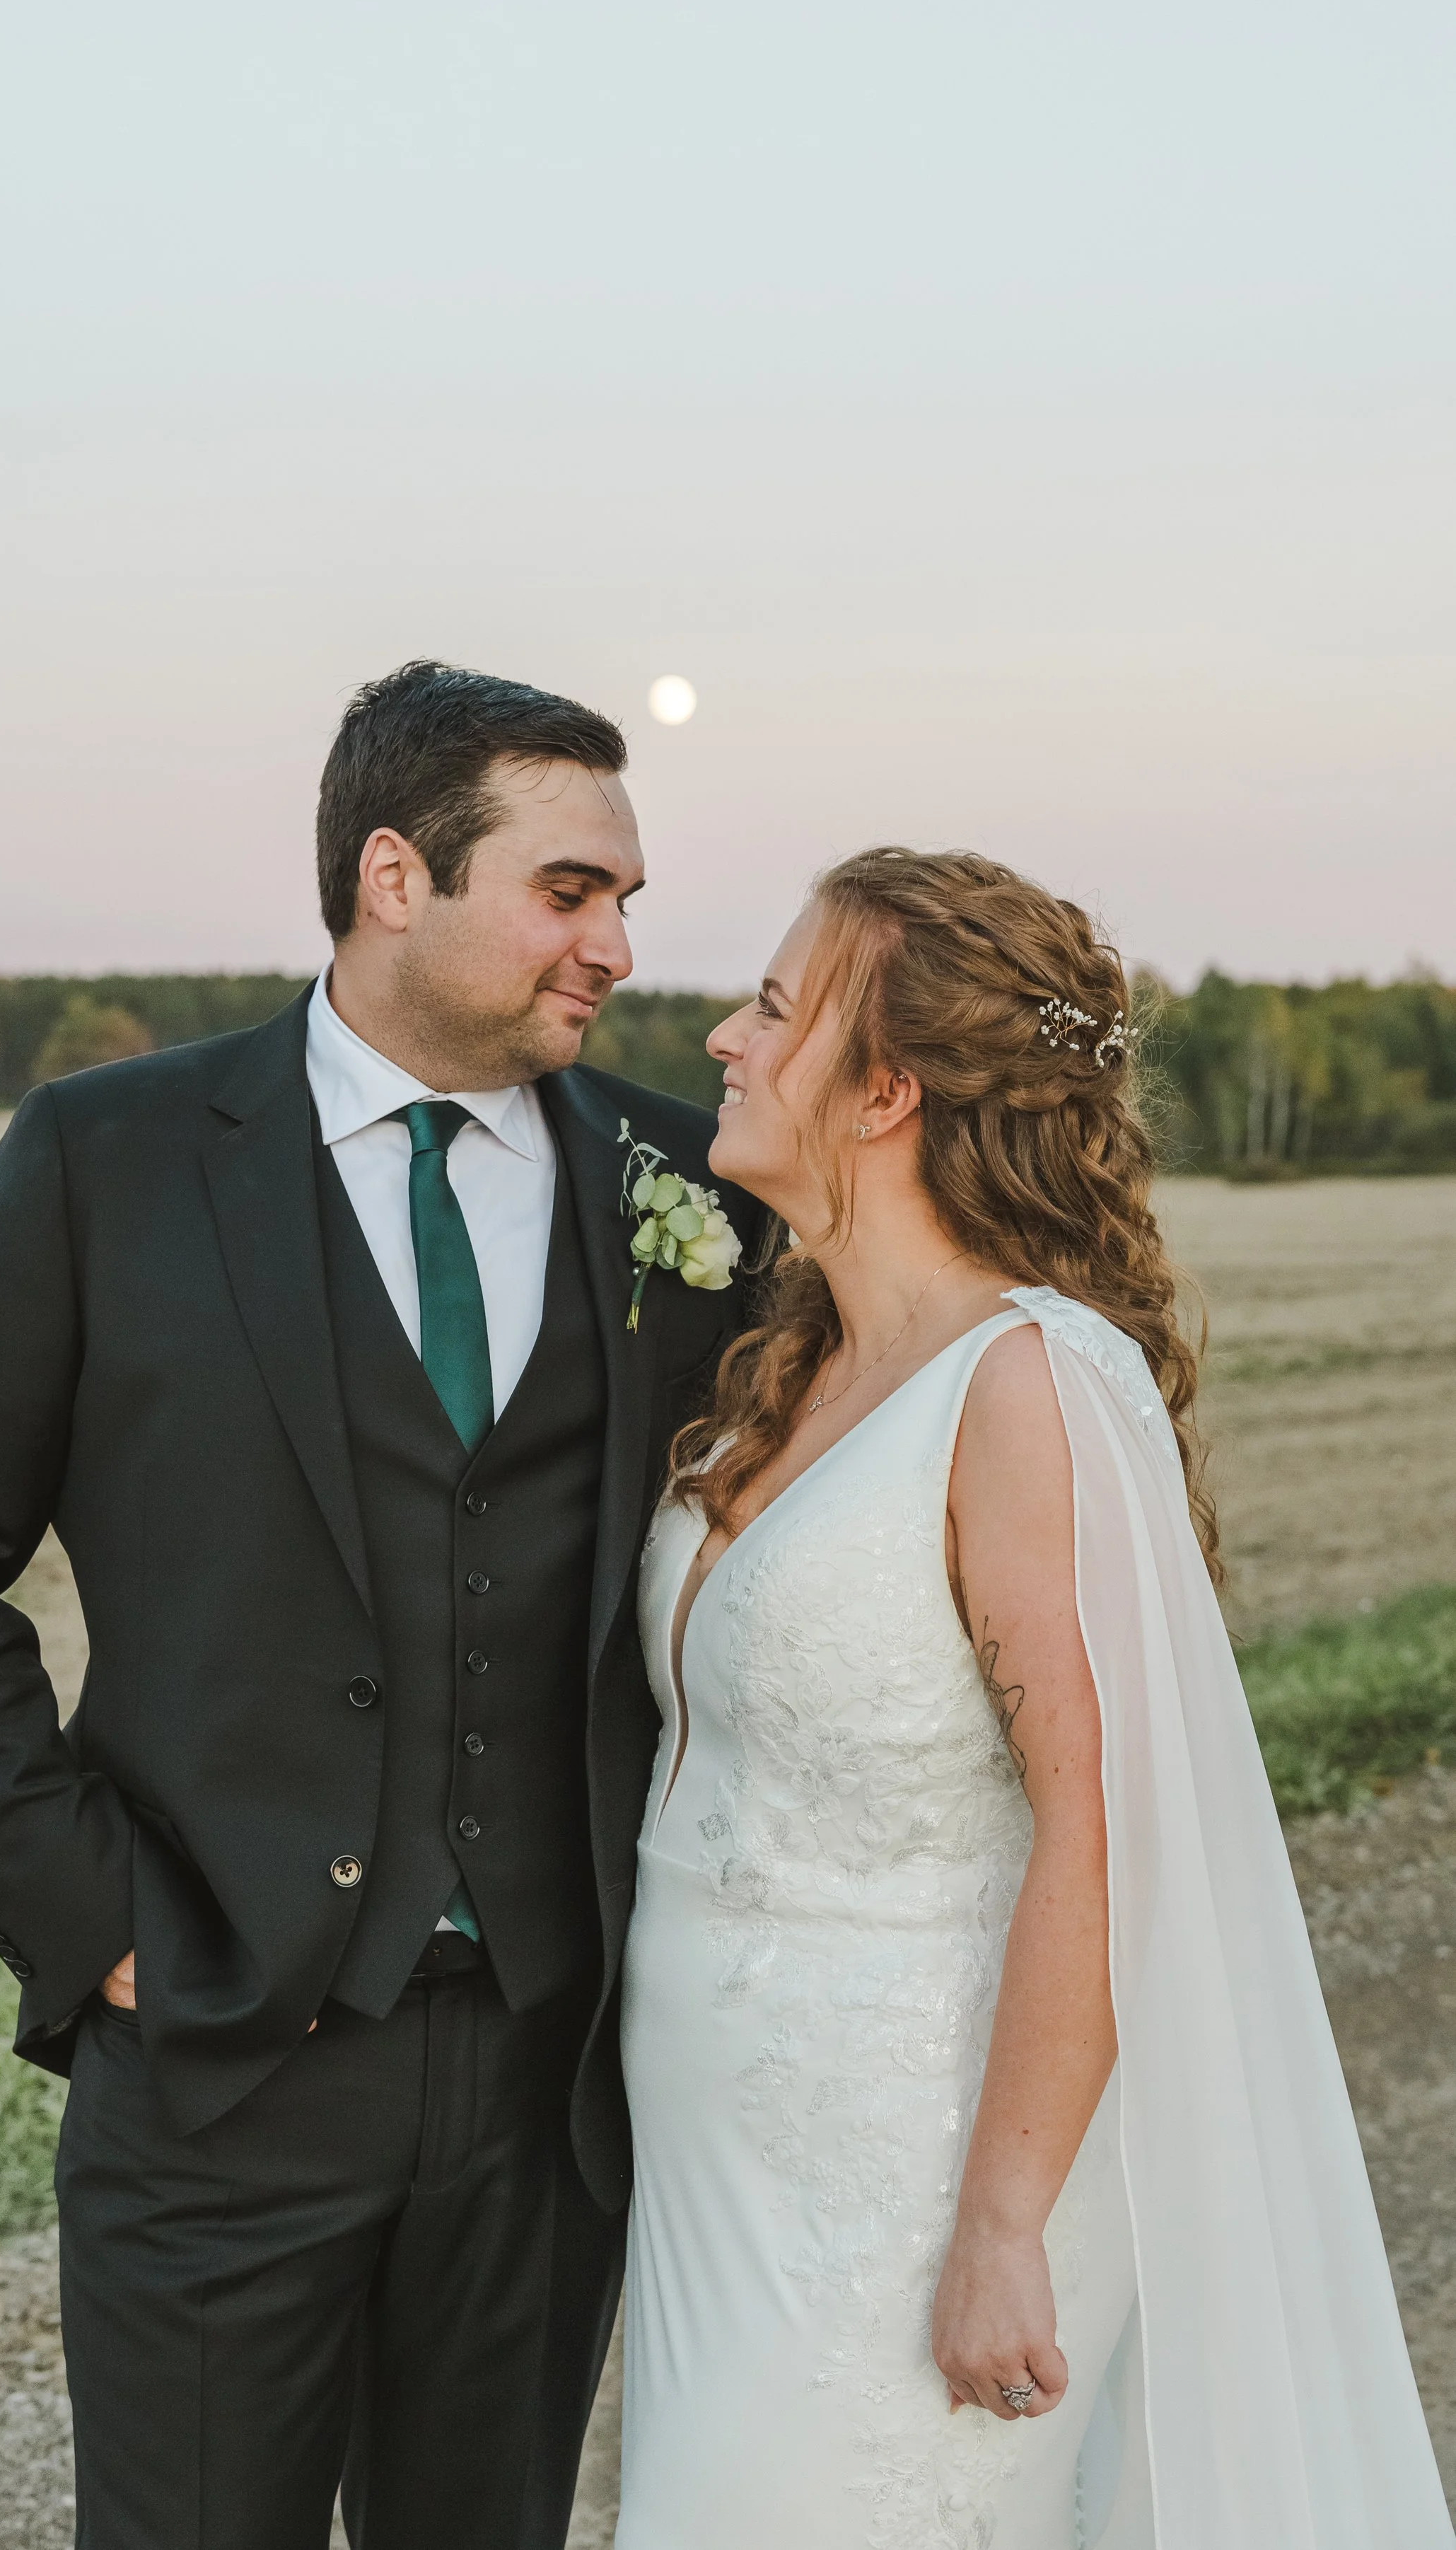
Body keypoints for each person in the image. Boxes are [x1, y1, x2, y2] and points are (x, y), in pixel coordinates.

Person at [0, 661, 758, 2550]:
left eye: (628, 899)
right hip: (216, 2061)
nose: (616, 943)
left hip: (541, 2077)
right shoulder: (110, 1158)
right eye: (571, 889)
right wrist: (86, 1914)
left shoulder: (683, 1185)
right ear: (395, 875)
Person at [616, 847, 1452, 2549]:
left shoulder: (1024, 1389)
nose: (719, 1034)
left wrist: (1001, 2220)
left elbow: (1107, 1824)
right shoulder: (792, 1359)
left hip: (908, 2183)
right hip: (716, 2169)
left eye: (775, 1007)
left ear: (885, 1091)